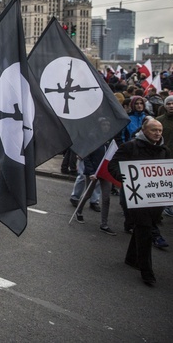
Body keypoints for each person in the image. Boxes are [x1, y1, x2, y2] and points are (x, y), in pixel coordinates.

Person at [109, 118, 170, 286]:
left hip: (155, 200)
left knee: (143, 228)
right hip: (136, 198)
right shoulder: (130, 146)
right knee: (145, 231)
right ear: (144, 131)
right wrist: (121, 176)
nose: (157, 133)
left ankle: (131, 258)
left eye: (160, 130)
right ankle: (146, 272)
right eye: (154, 130)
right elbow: (113, 165)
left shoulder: (164, 150)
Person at [75, 118, 116, 234]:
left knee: (106, 198)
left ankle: (104, 224)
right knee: (88, 193)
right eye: (104, 124)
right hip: (94, 172)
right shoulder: (93, 138)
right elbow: (87, 156)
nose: (106, 126)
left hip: (105, 172)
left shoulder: (110, 140)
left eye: (108, 124)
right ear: (99, 126)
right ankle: (79, 211)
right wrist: (91, 172)